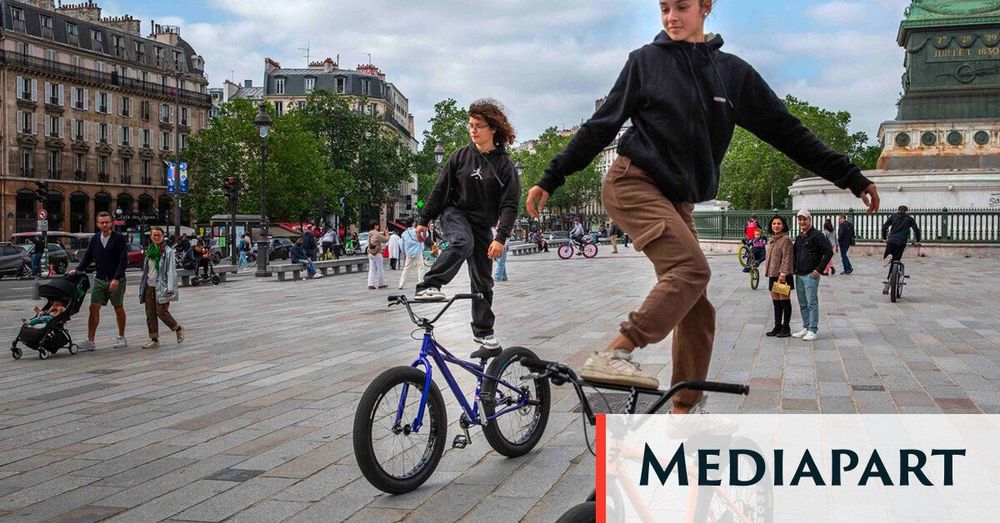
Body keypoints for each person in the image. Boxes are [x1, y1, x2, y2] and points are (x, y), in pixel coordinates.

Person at [524, 0, 879, 412]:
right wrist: (551, 177)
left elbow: (789, 133)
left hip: (679, 201)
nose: (671, 17)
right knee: (690, 269)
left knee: (698, 308)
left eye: (681, 7)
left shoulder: (732, 75)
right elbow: (600, 125)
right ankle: (615, 353)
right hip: (632, 182)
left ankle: (684, 413)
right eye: (663, 8)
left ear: (706, 6)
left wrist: (850, 176)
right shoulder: (645, 63)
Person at [414, 98, 520, 353]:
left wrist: (500, 238)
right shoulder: (459, 157)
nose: (473, 130)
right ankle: (429, 284)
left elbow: (509, 206)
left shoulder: (505, 166)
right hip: (455, 213)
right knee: (462, 242)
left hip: (483, 225)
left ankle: (484, 332)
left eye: (479, 125)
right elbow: (440, 190)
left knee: (483, 281)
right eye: (470, 125)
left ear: (493, 128)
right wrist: (423, 219)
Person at [70, 211, 130, 351]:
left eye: (107, 222)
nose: (105, 225)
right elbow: (87, 257)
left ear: (112, 223)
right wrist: (77, 270)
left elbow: (123, 260)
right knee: (93, 307)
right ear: (97, 224)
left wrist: (116, 279)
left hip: (116, 280)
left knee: (118, 307)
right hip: (100, 279)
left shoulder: (119, 238)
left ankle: (121, 337)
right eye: (102, 222)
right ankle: (90, 340)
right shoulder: (95, 239)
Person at [139, 226, 185, 349]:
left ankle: (177, 328)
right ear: (151, 237)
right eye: (154, 235)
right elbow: (146, 271)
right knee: (150, 314)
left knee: (161, 312)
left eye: (159, 235)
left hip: (162, 286)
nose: (156, 237)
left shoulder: (167, 251)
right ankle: (154, 339)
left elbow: (171, 271)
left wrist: (171, 288)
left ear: (163, 236)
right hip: (150, 286)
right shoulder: (149, 250)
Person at [792, 209, 833, 342]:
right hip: (799, 274)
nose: (802, 222)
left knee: (811, 303)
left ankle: (813, 330)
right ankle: (806, 326)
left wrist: (819, 270)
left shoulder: (817, 235)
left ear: (810, 220)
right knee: (802, 303)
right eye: (800, 219)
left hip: (810, 275)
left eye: (805, 219)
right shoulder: (799, 237)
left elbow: (828, 252)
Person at [881, 205, 921, 295]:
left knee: (887, 257)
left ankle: (888, 258)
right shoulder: (909, 219)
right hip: (901, 242)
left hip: (891, 241)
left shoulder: (893, 216)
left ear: (898, 210)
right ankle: (891, 279)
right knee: (896, 261)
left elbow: (884, 226)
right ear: (906, 211)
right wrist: (918, 240)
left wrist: (884, 237)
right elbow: (916, 230)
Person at [764, 215, 793, 337]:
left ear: (783, 226)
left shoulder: (785, 239)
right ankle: (777, 326)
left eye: (779, 224)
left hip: (782, 275)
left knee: (784, 301)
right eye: (774, 224)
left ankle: (786, 327)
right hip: (773, 274)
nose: (776, 226)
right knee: (776, 302)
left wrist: (783, 274)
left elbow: (787, 257)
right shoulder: (772, 239)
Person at [398, 218, 426, 289]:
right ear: (413, 223)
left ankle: (401, 284)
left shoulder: (404, 234)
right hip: (418, 252)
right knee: (420, 267)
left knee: (406, 268)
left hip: (409, 253)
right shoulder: (417, 231)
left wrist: (404, 252)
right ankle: (420, 283)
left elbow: (402, 245)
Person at [367, 223, 389, 289]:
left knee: (372, 269)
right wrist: (387, 233)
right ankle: (381, 283)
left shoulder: (370, 233)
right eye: (377, 225)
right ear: (375, 226)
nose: (378, 226)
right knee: (380, 268)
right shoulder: (376, 233)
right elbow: (385, 240)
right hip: (377, 252)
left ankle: (370, 284)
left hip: (370, 252)